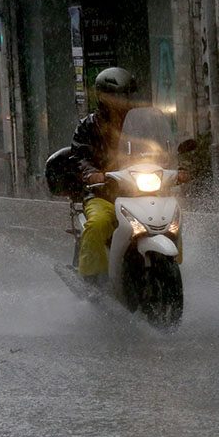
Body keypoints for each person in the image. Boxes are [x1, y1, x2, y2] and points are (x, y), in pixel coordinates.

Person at [69, 67, 137, 282]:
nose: (121, 100)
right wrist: (91, 173)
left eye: (125, 94)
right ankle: (91, 277)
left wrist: (177, 166)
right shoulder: (88, 126)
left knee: (169, 217)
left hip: (139, 193)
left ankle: (170, 262)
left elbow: (160, 148)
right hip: (103, 194)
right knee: (98, 223)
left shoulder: (140, 124)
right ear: (101, 96)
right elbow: (79, 155)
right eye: (115, 94)